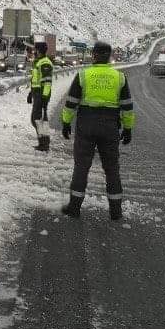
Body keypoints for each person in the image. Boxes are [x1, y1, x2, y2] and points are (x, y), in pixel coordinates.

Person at [59, 41, 135, 220]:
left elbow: (71, 103)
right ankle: (116, 211)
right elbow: (127, 106)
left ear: (93, 55)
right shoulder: (119, 77)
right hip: (110, 127)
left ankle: (74, 208)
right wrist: (128, 128)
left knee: (81, 167)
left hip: (86, 125)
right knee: (112, 169)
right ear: (109, 56)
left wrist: (66, 123)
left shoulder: (83, 75)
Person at [27, 41, 53, 151]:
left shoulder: (45, 63)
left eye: (35, 49)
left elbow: (47, 82)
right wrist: (30, 93)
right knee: (37, 120)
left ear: (38, 50)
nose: (33, 51)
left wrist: (44, 97)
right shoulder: (39, 62)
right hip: (37, 94)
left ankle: (44, 143)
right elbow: (35, 80)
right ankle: (43, 143)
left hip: (41, 95)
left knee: (38, 120)